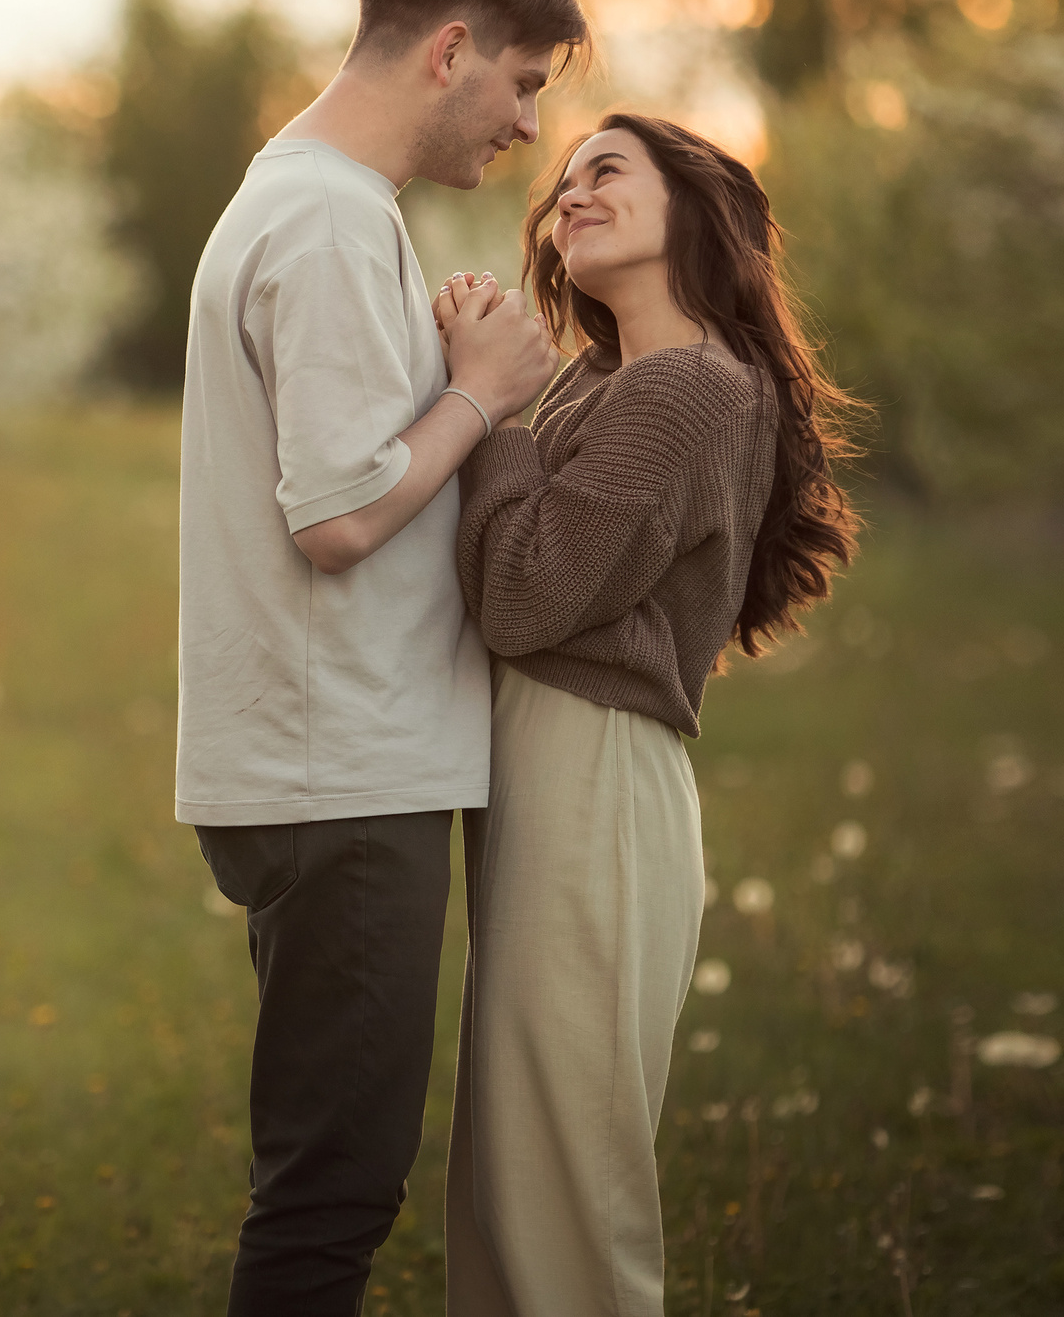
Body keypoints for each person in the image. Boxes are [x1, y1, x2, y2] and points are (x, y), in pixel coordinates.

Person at [176, 0, 585, 1314]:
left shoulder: (301, 198)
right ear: (452, 49)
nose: (530, 125)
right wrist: (485, 389)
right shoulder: (334, 216)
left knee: (330, 1180)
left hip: (326, 761)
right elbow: (339, 512)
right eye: (525, 83)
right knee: (331, 1194)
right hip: (337, 767)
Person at [436, 113, 860, 1314]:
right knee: (510, 1172)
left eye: (605, 170)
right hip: (554, 766)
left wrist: (489, 413)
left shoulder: (686, 387)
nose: (568, 194)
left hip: (595, 774)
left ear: (695, 204)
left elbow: (523, 591)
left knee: (563, 1182)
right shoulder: (611, 378)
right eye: (560, 181)